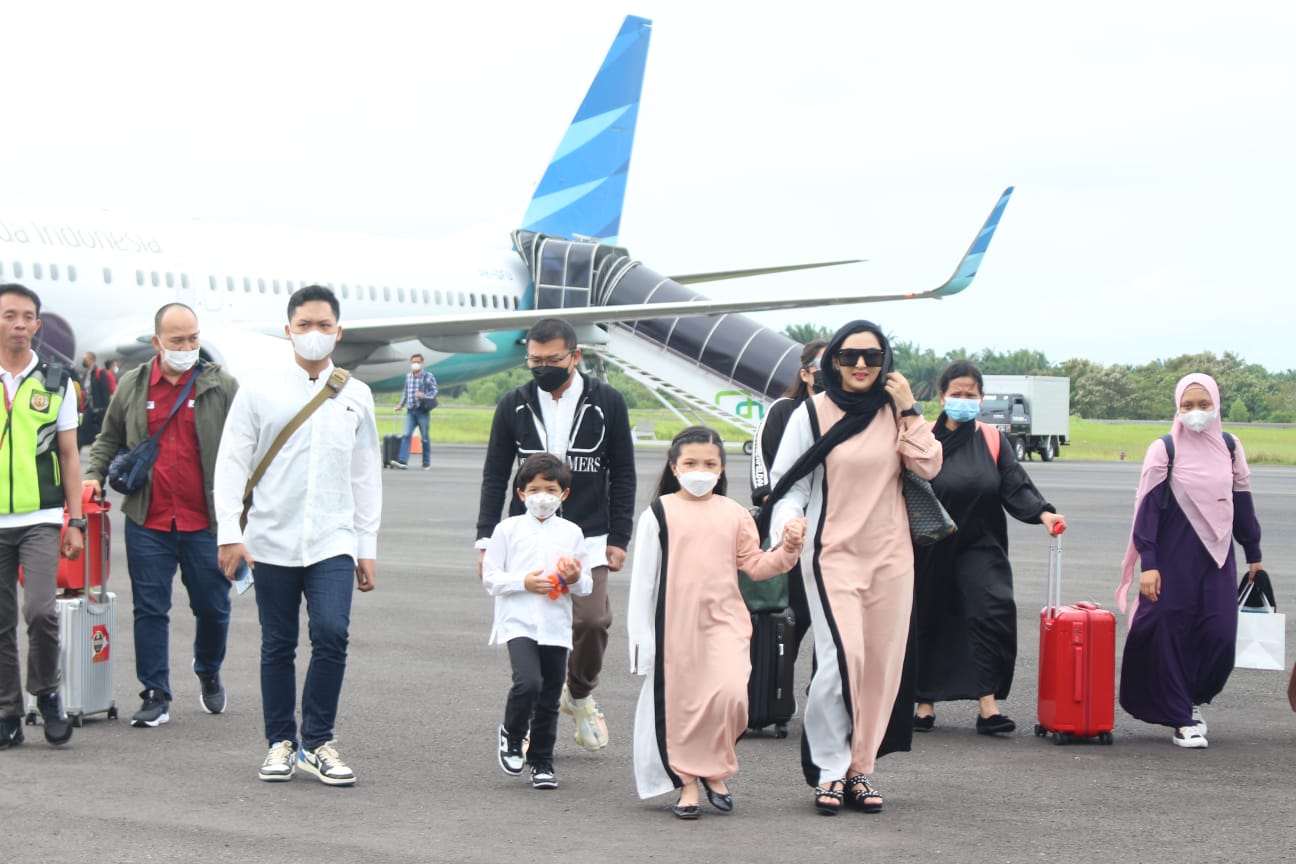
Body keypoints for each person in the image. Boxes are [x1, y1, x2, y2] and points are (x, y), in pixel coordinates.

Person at [763, 320, 940, 815]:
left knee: (881, 667)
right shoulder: (811, 414)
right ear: (832, 362)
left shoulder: (894, 413)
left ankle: (860, 768)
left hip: (892, 557)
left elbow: (928, 465)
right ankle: (829, 769)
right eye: (849, 356)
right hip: (831, 554)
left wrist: (909, 409)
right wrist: (790, 525)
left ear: (886, 362)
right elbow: (789, 484)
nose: (861, 365)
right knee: (844, 661)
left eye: (873, 356)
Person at [214, 285, 382, 785]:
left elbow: (365, 474)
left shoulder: (357, 394)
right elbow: (231, 463)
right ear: (287, 329)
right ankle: (280, 741)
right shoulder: (259, 389)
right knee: (278, 644)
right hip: (270, 540)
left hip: (333, 540)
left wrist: (366, 545)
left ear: (339, 331)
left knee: (332, 633)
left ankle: (318, 741)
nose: (314, 334)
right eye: (304, 325)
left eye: (323, 325)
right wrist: (228, 532)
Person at [475, 317, 635, 752]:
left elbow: (622, 471)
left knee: (592, 620)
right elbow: (495, 475)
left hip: (589, 534)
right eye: (535, 360)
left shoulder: (608, 402)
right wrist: (486, 539)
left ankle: (578, 693)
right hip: (526, 536)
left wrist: (620, 536)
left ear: (575, 356)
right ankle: (528, 722)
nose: (543, 367)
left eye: (552, 359)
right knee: (535, 632)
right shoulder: (514, 403)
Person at [629, 426, 805, 818]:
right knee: (684, 707)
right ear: (674, 467)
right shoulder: (658, 513)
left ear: (722, 468)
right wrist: (641, 639)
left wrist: (788, 549)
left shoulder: (735, 513)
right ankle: (690, 782)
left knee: (731, 698)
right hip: (675, 625)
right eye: (690, 463)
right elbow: (643, 583)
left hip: (726, 622)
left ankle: (714, 767)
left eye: (709, 463)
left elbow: (758, 567)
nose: (699, 470)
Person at [83, 303, 240, 727]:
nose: (187, 347)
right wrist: (92, 475)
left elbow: (246, 446)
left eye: (193, 339)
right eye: (177, 341)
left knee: (213, 608)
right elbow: (108, 438)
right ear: (157, 343)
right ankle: (155, 693)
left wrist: (243, 510)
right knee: (150, 609)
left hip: (204, 522)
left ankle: (207, 668)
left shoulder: (221, 386)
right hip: (148, 519)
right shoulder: (132, 386)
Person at [911, 360, 1066, 735]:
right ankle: (924, 703)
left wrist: (1044, 514)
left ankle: (988, 705)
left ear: (981, 399)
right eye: (956, 394)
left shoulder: (994, 439)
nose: (963, 400)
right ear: (941, 396)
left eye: (971, 394)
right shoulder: (922, 437)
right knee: (929, 618)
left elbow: (1015, 483)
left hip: (981, 543)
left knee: (990, 612)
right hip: (931, 545)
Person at [1115, 372, 1263, 748]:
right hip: (1171, 557)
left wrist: (1254, 554)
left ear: (1216, 405)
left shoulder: (1230, 446)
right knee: (1169, 629)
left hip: (1218, 556)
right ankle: (1180, 716)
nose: (1196, 412)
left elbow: (1242, 503)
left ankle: (1191, 698)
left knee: (1220, 633)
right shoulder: (1164, 449)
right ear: (1177, 409)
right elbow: (1146, 510)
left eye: (1203, 405)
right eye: (1187, 406)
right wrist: (1149, 563)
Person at [0, 283, 84, 750]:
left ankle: (47, 692)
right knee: (0, 620)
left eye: (26, 316)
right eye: (8, 314)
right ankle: (8, 710)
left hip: (41, 516)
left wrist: (75, 520)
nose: (18, 324)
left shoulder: (57, 381)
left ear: (37, 324)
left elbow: (70, 456)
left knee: (41, 611)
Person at [484, 453, 591, 791]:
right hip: (519, 622)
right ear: (521, 494)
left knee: (548, 696)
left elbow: (585, 586)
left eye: (550, 489)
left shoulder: (572, 532)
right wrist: (523, 583)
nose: (542, 497)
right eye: (534, 489)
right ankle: (513, 735)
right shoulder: (507, 529)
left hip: (556, 627)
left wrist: (573, 577)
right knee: (527, 683)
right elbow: (491, 578)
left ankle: (542, 761)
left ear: (564, 495)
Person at [749, 339, 826, 669]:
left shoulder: (848, 415)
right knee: (790, 614)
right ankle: (774, 693)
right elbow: (763, 470)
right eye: (824, 368)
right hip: (788, 531)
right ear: (806, 374)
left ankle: (821, 693)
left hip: (830, 529)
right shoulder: (783, 411)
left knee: (827, 619)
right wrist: (784, 517)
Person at [390, 352, 438, 470]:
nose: (415, 364)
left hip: (422, 411)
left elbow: (434, 391)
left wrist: (424, 396)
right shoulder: (409, 376)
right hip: (411, 410)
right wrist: (401, 405)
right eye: (413, 362)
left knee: (425, 437)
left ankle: (426, 462)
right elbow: (406, 393)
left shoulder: (428, 376)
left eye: (418, 362)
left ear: (422, 363)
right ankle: (403, 461)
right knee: (407, 435)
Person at [77, 350, 113, 449]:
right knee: (81, 432)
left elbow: (105, 391)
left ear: (91, 360)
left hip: (100, 409)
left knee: (104, 433)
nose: (83, 361)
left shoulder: (99, 373)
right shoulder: (86, 374)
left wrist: (106, 408)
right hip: (89, 408)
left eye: (85, 359)